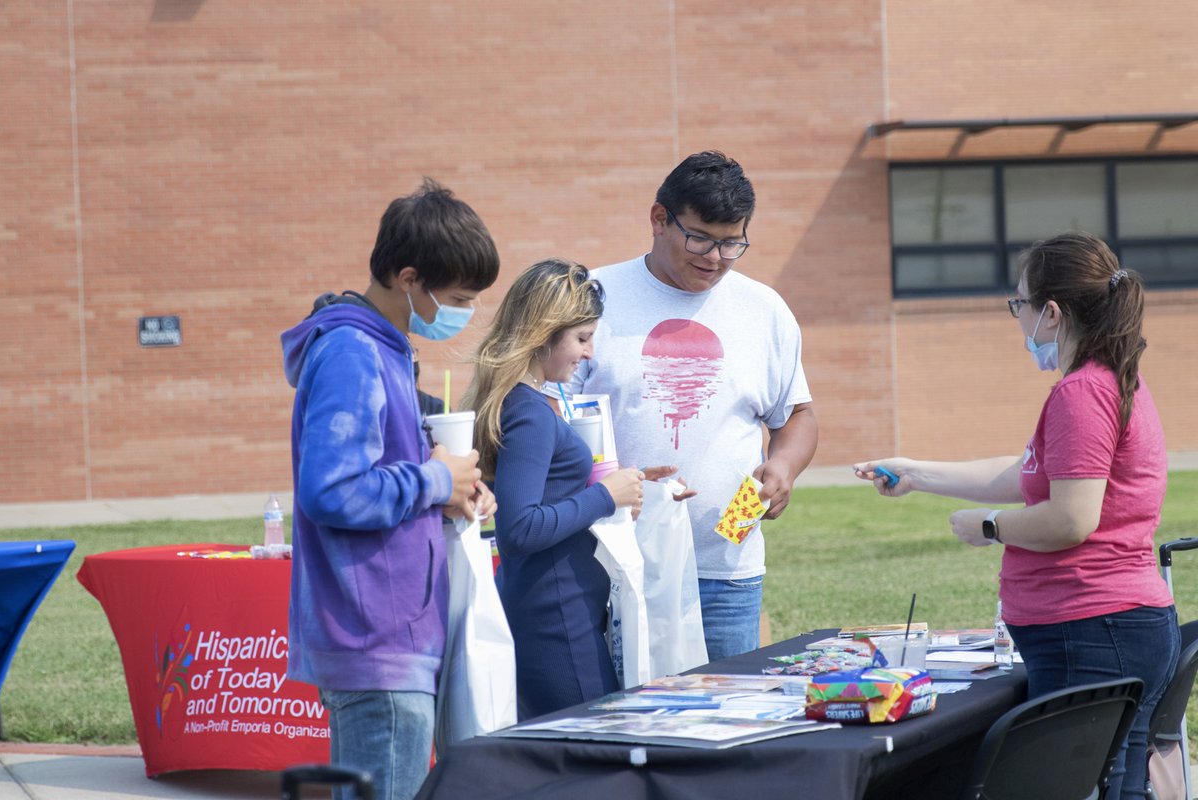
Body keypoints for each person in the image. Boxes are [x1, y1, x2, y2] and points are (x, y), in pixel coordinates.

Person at [854, 232, 1179, 799]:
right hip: (1110, 627)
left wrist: (989, 526)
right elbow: (1025, 474)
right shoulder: (1107, 383)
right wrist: (917, 474)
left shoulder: (1082, 393)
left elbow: (1071, 517)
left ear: (1050, 313)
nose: (1017, 316)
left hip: (1094, 628)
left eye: (1019, 304)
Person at [281, 178, 500, 800]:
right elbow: (333, 489)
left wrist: (454, 491)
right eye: (457, 297)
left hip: (393, 634)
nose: (465, 312)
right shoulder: (353, 352)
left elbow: (384, 475)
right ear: (409, 278)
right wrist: (436, 479)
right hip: (376, 638)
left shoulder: (383, 349)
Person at [570, 151, 818, 662]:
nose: (716, 257)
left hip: (725, 571)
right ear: (659, 219)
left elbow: (796, 416)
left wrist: (784, 465)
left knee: (725, 721)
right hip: (611, 564)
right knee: (622, 724)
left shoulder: (764, 310)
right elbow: (551, 416)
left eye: (732, 243)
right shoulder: (592, 298)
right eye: (701, 238)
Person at [462, 258, 644, 719]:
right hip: (555, 616)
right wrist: (606, 497)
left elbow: (548, 495)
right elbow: (519, 528)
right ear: (544, 334)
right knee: (592, 753)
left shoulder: (530, 401)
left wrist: (620, 491)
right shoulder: (529, 412)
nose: (589, 354)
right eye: (582, 339)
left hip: (561, 607)